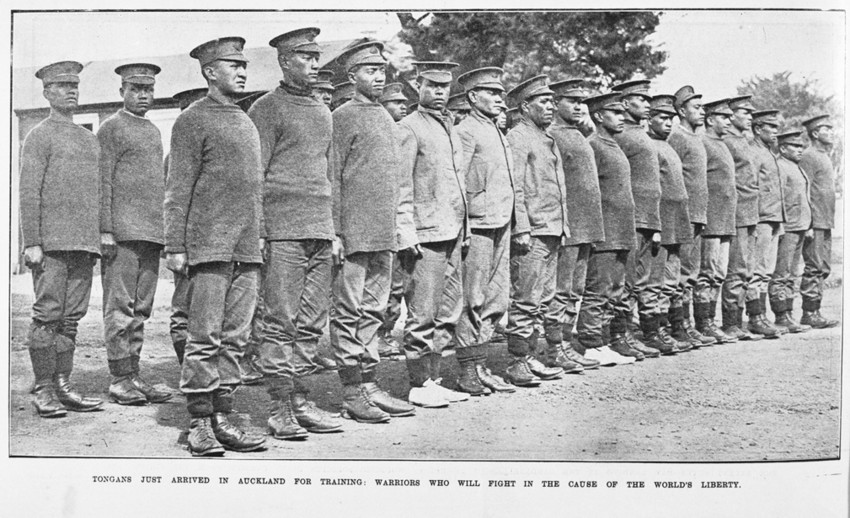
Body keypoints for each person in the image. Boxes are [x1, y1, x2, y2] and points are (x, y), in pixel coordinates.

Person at [164, 36, 266, 456]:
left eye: (243, 66)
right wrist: (175, 245)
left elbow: (253, 189)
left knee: (235, 338)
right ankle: (199, 423)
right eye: (232, 65)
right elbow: (177, 189)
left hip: (246, 248)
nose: (242, 72)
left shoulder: (245, 120)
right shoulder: (192, 119)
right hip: (208, 247)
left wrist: (258, 236)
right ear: (209, 71)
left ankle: (224, 415)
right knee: (204, 336)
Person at [247, 27, 343, 439]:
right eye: (306, 57)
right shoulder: (266, 109)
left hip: (319, 230)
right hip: (283, 233)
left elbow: (329, 176)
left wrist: (334, 230)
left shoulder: (322, 110)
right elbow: (254, 177)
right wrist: (263, 234)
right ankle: (279, 407)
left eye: (317, 56)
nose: (315, 63)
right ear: (285, 62)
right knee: (279, 321)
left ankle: (303, 401)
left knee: (311, 322)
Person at [330, 40, 417, 422]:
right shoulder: (342, 116)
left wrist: (398, 227)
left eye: (382, 70)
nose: (378, 77)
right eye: (370, 71)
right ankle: (351, 392)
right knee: (348, 311)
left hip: (383, 235)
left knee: (374, 311)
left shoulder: (385, 116)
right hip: (353, 235)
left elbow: (395, 182)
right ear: (352, 77)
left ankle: (369, 384)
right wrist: (335, 231)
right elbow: (331, 177)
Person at [19, 60, 105, 418]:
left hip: (83, 244)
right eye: (61, 86)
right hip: (52, 245)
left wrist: (99, 238)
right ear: (46, 92)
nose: (71, 91)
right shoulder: (38, 135)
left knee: (72, 318)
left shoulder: (88, 138)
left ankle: (63, 385)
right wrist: (33, 241)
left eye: (74, 85)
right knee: (48, 315)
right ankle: (42, 388)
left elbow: (98, 192)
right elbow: (29, 192)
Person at [397, 61, 471, 406]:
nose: (440, 92)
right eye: (432, 85)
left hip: (453, 229)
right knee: (422, 311)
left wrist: (466, 228)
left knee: (449, 310)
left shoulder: (450, 126)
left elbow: (456, 183)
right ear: (417, 85)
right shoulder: (409, 128)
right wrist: (405, 230)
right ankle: (418, 383)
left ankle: (435, 377)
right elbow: (401, 186)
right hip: (425, 233)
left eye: (445, 86)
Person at [98, 63, 172, 405]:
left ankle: (134, 374)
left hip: (151, 234)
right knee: (120, 308)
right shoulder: (111, 129)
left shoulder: (154, 131)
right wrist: (107, 230)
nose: (143, 96)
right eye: (136, 89)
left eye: (148, 90)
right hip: (123, 235)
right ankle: (119, 378)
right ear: (122, 92)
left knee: (142, 309)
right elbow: (103, 183)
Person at [451, 66, 521, 394]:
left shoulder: (495, 131)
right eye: (491, 93)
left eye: (500, 94)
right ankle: (467, 369)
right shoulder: (465, 130)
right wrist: (464, 226)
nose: (499, 99)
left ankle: (481, 365)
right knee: (472, 297)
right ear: (472, 97)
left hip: (501, 221)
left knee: (497, 296)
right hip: (478, 224)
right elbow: (458, 183)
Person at [504, 75, 570, 383]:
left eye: (552, 102)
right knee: (526, 298)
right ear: (525, 106)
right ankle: (518, 361)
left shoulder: (547, 138)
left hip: (552, 228)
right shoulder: (518, 137)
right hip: (533, 230)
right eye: (543, 102)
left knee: (545, 297)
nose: (551, 107)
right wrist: (522, 227)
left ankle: (532, 356)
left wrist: (563, 225)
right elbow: (516, 186)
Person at [611, 80, 680, 358]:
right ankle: (620, 335)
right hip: (632, 219)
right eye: (641, 98)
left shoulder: (641, 135)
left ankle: (640, 332)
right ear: (626, 104)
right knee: (626, 281)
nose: (647, 104)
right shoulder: (622, 135)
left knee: (643, 280)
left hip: (648, 219)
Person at [575, 92, 637, 367]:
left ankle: (605, 339)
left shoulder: (613, 145)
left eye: (623, 112)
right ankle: (590, 343)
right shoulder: (594, 146)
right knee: (597, 288)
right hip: (605, 231)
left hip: (622, 230)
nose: (623, 117)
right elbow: (588, 192)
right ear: (599, 116)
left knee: (615, 288)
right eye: (616, 113)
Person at [545, 78, 604, 371]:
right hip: (568, 227)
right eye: (572, 101)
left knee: (575, 291)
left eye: (582, 102)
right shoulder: (553, 135)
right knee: (561, 290)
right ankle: (555, 348)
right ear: (555, 104)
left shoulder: (578, 134)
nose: (580, 106)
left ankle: (567, 344)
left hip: (586, 226)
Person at [721, 96, 780, 339]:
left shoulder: (744, 143)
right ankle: (732, 322)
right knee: (737, 270)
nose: (748, 116)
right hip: (737, 214)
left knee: (748, 269)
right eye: (744, 112)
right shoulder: (727, 142)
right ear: (731, 115)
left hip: (752, 214)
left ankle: (750, 318)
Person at [667, 85, 717, 347]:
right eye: (696, 108)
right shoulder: (676, 137)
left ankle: (688, 325)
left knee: (692, 273)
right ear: (681, 110)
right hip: (684, 215)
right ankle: (678, 326)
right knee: (682, 272)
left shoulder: (697, 138)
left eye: (703, 107)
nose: (702, 112)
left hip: (698, 215)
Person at [646, 94, 695, 351]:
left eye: (671, 119)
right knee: (656, 280)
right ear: (649, 120)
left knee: (673, 279)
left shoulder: (669, 147)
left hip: (677, 223)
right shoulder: (649, 146)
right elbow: (652, 188)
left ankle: (671, 327)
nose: (668, 123)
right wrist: (655, 226)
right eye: (662, 118)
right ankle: (655, 330)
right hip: (661, 224)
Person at [166, 87, 208, 366]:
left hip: (211, 241)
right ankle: (186, 368)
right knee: (183, 309)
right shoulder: (174, 159)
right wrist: (175, 246)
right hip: (188, 243)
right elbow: (173, 201)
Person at [693, 99, 738, 343]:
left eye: (731, 117)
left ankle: (710, 320)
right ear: (710, 119)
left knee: (719, 273)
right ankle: (703, 323)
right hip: (710, 221)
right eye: (724, 117)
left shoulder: (722, 144)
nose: (729, 121)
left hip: (725, 221)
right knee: (706, 273)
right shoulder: (702, 142)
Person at [376, 82, 409, 360]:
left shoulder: (403, 133)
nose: (403, 106)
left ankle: (386, 334)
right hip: (382, 222)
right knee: (383, 285)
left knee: (397, 286)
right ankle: (378, 337)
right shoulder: (381, 132)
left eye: (403, 102)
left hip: (401, 221)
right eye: (395, 102)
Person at [768, 129, 812, 333]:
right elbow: (778, 199)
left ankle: (788, 313)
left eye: (801, 146)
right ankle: (780, 314)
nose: (800, 150)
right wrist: (782, 226)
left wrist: (808, 225)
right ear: (783, 148)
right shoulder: (780, 167)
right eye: (795, 146)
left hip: (800, 226)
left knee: (793, 272)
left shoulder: (796, 167)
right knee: (781, 272)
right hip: (788, 227)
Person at [798, 114, 839, 328]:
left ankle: (816, 311)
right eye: (827, 129)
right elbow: (804, 190)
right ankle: (809, 313)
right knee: (813, 266)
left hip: (825, 220)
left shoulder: (824, 155)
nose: (831, 132)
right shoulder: (809, 156)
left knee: (823, 267)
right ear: (815, 133)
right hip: (815, 222)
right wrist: (809, 224)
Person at [750, 109, 787, 331]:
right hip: (761, 218)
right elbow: (751, 187)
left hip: (774, 218)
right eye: (770, 127)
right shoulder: (754, 153)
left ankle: (762, 317)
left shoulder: (769, 153)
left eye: (776, 128)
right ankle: (755, 317)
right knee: (757, 270)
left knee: (766, 271)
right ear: (757, 128)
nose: (775, 132)